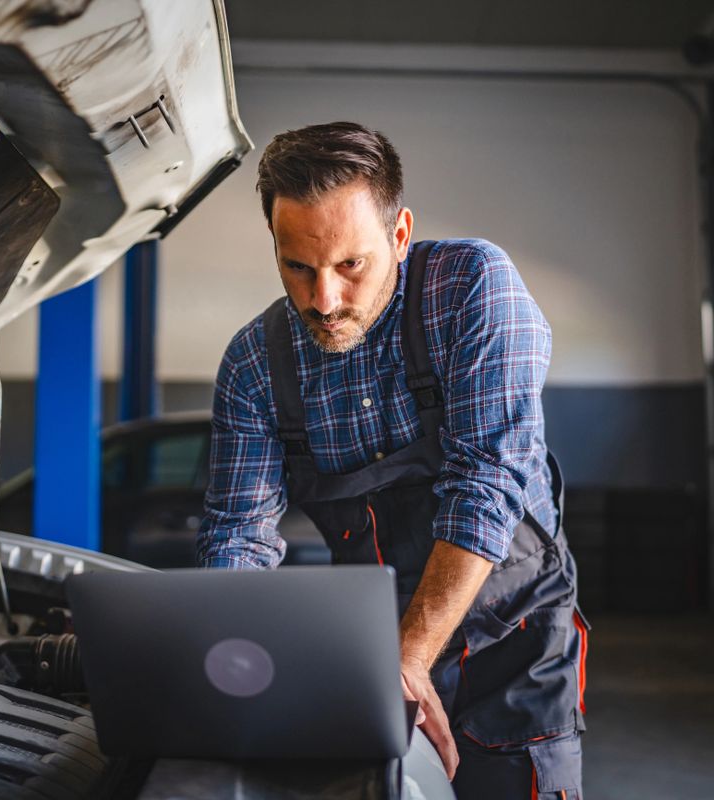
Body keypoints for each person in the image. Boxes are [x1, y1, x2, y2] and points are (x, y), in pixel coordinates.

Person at [197, 121, 587, 799]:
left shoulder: (471, 287)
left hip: (516, 648)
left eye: (351, 265)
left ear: (400, 235)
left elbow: (487, 485)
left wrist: (408, 664)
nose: (324, 301)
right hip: (372, 656)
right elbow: (238, 537)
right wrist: (235, 671)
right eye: (298, 266)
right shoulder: (255, 365)